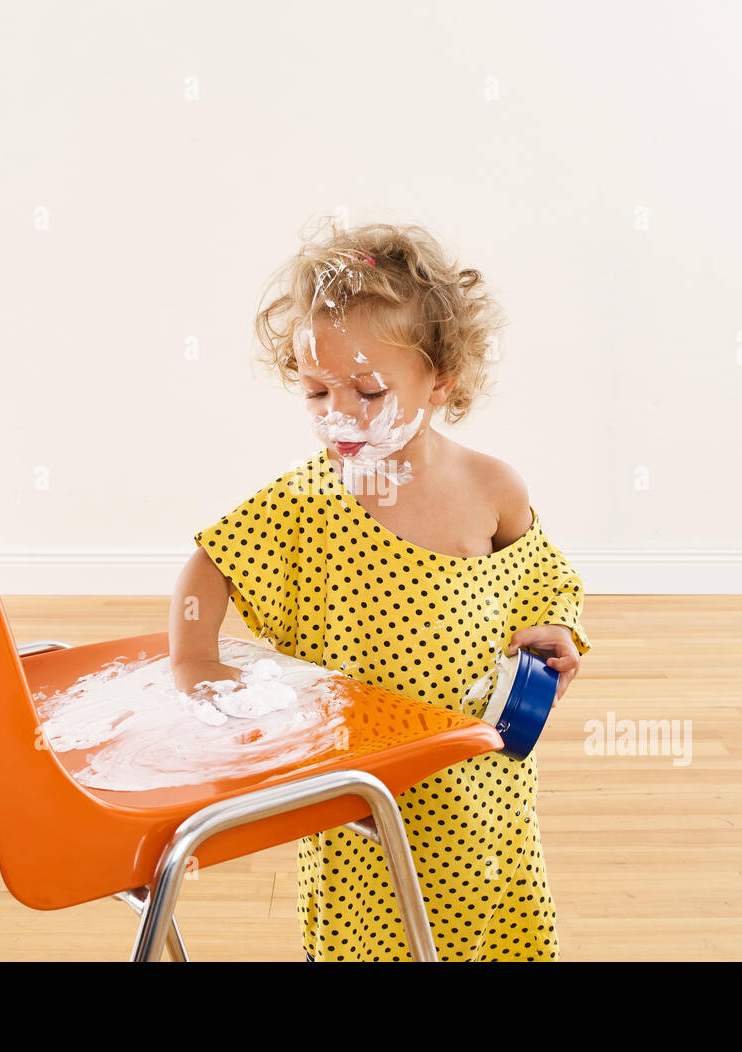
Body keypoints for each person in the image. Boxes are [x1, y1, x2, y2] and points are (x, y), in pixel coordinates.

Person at [169, 218, 592, 961]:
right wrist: (193, 661)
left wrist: (557, 632)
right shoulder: (310, 501)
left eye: (367, 391)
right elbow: (210, 567)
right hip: (361, 783)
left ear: (440, 379)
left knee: (480, 909)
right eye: (315, 391)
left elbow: (542, 578)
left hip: (475, 773)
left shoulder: (491, 487)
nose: (339, 414)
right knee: (369, 925)